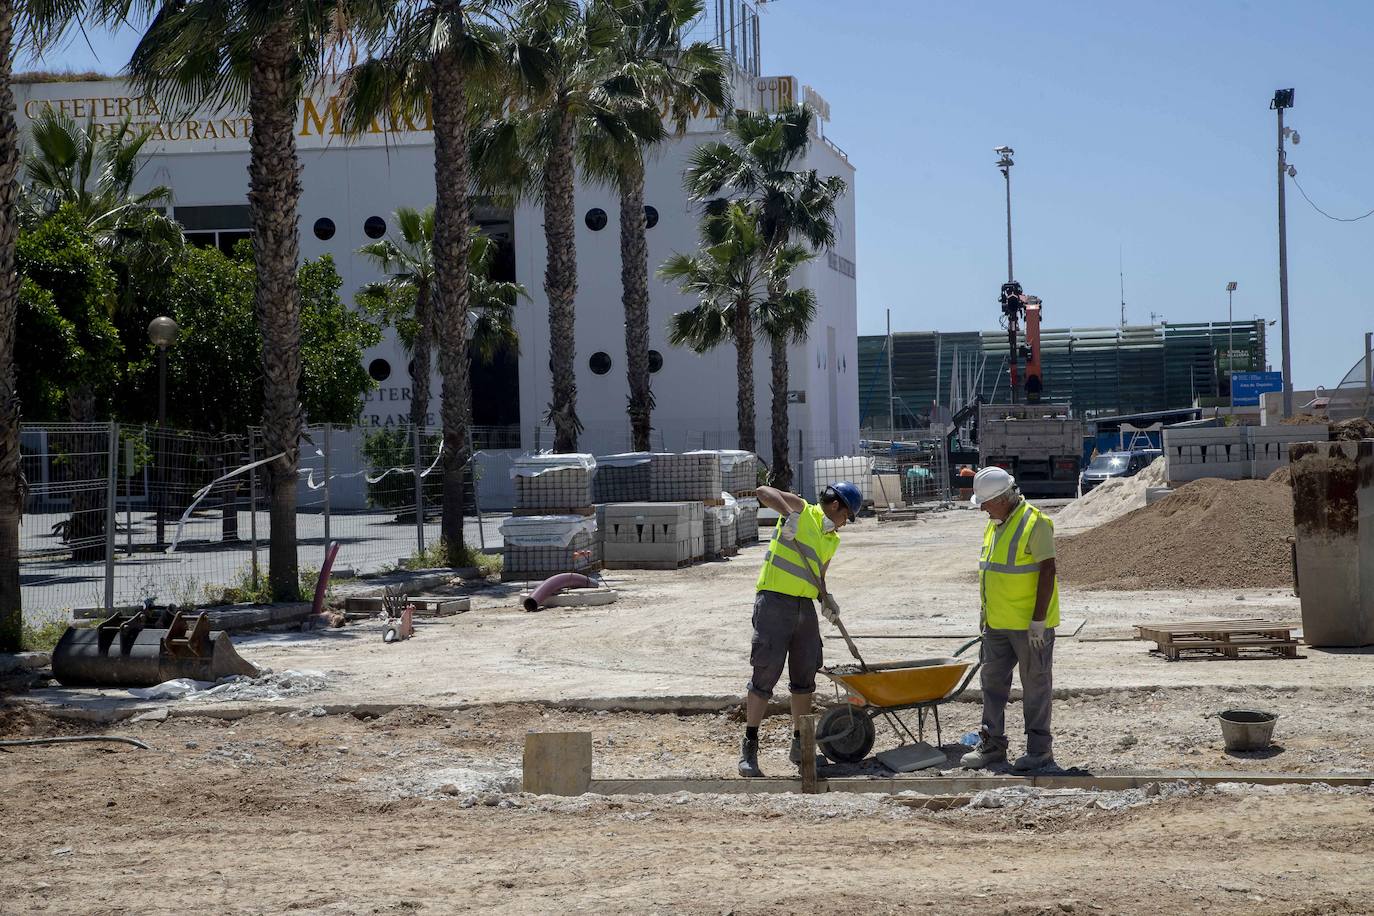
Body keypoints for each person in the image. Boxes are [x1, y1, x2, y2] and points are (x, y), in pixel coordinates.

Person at [738, 480, 863, 778]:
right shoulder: (803, 510)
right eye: (847, 516)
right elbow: (762, 492)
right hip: (773, 601)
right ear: (835, 505)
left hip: (804, 608)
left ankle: (801, 745)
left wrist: (826, 598)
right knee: (765, 673)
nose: (846, 524)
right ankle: (749, 746)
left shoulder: (832, 540)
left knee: (805, 676)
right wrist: (788, 515)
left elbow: (819, 576)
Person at [960, 466, 1060, 773]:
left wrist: (1039, 621)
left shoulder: (1035, 522)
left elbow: (1047, 571)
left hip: (1029, 627)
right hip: (997, 624)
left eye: (985, 503)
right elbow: (992, 570)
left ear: (1003, 498)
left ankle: (1039, 751)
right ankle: (992, 745)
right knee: (992, 684)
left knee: (1035, 686)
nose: (982, 509)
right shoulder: (996, 523)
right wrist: (985, 613)